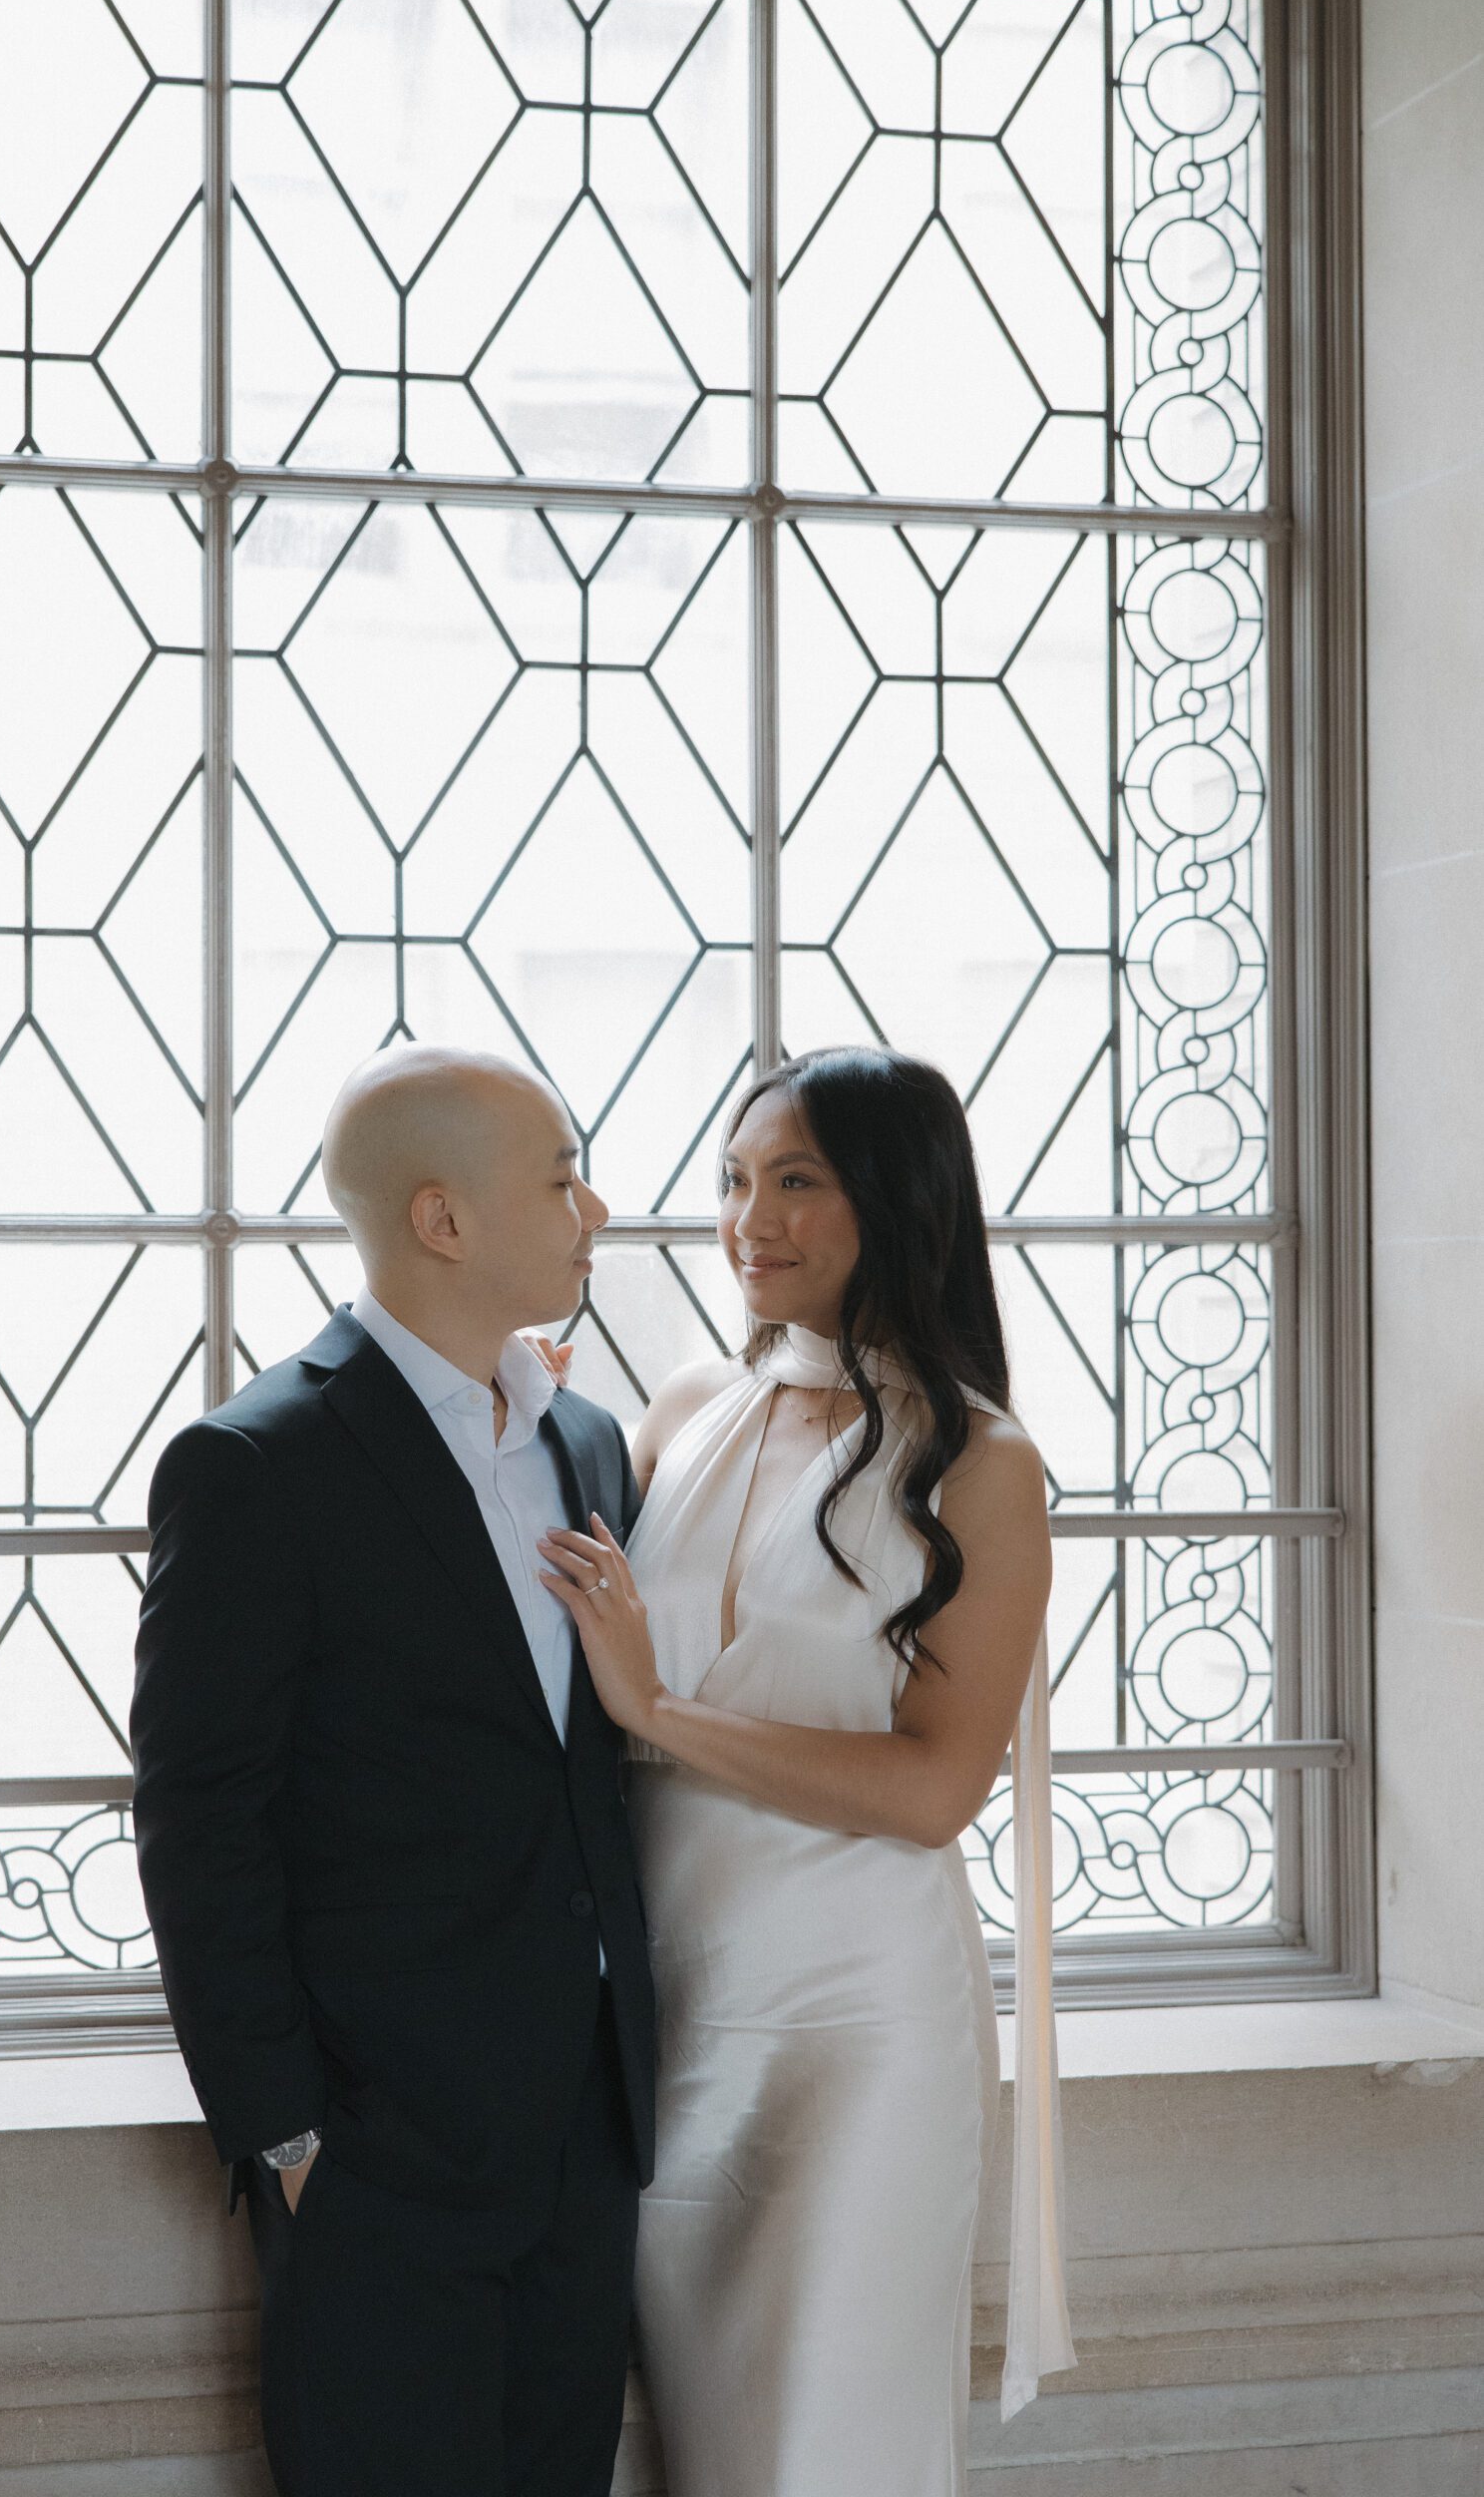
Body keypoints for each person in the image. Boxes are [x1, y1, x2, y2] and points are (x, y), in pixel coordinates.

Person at [535, 1045, 1076, 2497]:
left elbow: (932, 1788)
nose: (746, 1219)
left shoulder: (980, 1461)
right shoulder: (684, 1409)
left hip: (857, 2018)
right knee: (712, 2451)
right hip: (674, 2009)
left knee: (828, 2444)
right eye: (732, 1182)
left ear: (894, 1201)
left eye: (794, 1182)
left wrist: (658, 1706)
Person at [131, 1045, 656, 2497]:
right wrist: (285, 2133)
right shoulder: (257, 1463)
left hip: (585, 2141)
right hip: (374, 2157)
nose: (594, 1206)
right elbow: (198, 1817)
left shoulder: (593, 1444)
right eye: (561, 1177)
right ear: (443, 1221)